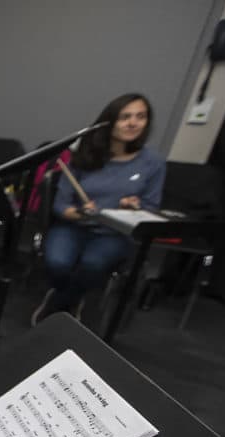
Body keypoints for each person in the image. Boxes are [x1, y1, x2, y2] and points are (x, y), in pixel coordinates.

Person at [31, 93, 166, 325]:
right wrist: (82, 212)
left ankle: (59, 304)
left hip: (114, 233)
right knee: (57, 263)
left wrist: (133, 207)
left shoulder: (152, 162)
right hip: (73, 225)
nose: (133, 123)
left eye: (140, 117)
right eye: (125, 117)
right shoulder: (84, 154)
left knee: (93, 264)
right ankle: (70, 298)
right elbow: (61, 205)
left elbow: (151, 207)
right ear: (109, 121)